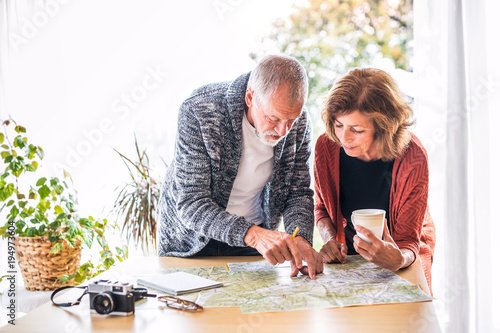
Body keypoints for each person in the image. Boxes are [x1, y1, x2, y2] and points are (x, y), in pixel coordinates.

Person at [158, 55, 323, 279]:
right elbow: (191, 203)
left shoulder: (299, 122)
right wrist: (252, 235)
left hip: (255, 245)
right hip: (193, 245)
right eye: (273, 118)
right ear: (249, 97)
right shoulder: (199, 110)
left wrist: (301, 239)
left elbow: (297, 192)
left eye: (291, 120)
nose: (284, 130)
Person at [314, 68, 436, 290]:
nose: (343, 138)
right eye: (338, 125)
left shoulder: (413, 156)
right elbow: (321, 208)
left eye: (357, 129)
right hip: (349, 260)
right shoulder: (326, 146)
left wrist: (398, 259)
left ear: (383, 126)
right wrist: (330, 239)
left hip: (404, 256)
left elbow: (410, 241)